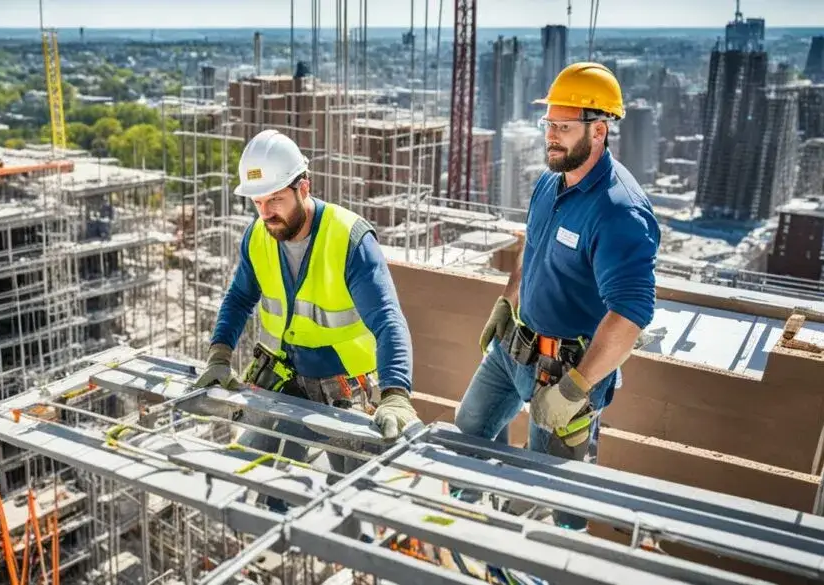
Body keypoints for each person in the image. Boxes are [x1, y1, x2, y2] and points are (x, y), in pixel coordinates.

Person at [454, 62, 661, 530]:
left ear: (600, 130)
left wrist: (575, 389)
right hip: (517, 348)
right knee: (469, 427)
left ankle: (563, 558)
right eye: (549, 124)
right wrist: (507, 303)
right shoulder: (550, 182)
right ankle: (471, 520)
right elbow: (533, 248)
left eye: (564, 127)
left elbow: (630, 314)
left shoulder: (619, 211)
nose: (552, 136)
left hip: (565, 371)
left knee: (554, 491)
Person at [195, 129, 420, 509]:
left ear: (304, 187)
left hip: (342, 385)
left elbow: (388, 320)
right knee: (256, 473)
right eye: (258, 202)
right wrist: (219, 356)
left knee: (353, 493)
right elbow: (238, 299)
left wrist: (396, 394)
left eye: (276, 200)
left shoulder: (349, 239)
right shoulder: (257, 236)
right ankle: (274, 531)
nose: (266, 213)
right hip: (282, 378)